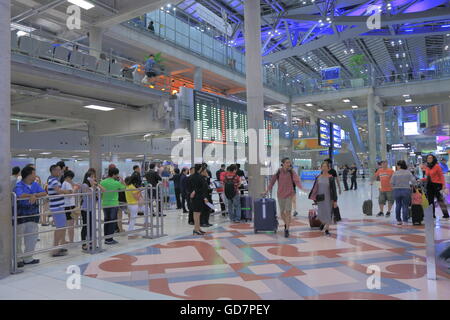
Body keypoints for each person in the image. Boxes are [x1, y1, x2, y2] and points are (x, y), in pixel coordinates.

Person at [265, 158, 307, 238]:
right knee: (281, 213)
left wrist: (301, 188)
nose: (289, 164)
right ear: (283, 163)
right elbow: (272, 182)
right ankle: (286, 223)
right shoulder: (278, 172)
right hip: (280, 195)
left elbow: (297, 180)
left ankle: (287, 229)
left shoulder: (291, 172)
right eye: (287, 162)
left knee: (288, 212)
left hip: (289, 194)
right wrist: (266, 191)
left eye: (289, 163)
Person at [14, 166, 47, 267]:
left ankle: (28, 258)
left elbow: (44, 192)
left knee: (32, 237)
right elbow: (19, 195)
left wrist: (34, 195)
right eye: (33, 173)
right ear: (28, 175)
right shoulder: (19, 185)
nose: (35, 175)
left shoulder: (35, 184)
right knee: (18, 238)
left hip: (33, 215)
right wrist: (31, 195)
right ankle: (18, 259)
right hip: (21, 215)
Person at [47, 165, 72, 257]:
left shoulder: (54, 179)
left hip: (59, 206)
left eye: (60, 170)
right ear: (53, 171)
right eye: (58, 170)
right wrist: (67, 192)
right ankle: (54, 249)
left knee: (61, 227)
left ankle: (57, 247)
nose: (60, 171)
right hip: (57, 207)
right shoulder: (53, 180)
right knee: (60, 228)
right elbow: (57, 190)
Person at [308, 161, 337, 236]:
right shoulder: (318, 177)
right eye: (322, 166)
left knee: (328, 213)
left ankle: (327, 229)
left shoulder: (331, 178)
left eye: (325, 166)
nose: (324, 168)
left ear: (328, 168)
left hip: (329, 198)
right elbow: (315, 188)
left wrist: (335, 200)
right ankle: (323, 223)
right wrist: (313, 197)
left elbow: (334, 190)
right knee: (321, 213)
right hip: (320, 198)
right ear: (321, 168)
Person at [80, 169, 105, 251]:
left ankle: (91, 243)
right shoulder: (84, 185)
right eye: (91, 177)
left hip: (92, 209)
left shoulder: (94, 186)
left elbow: (103, 191)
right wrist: (92, 186)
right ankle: (84, 244)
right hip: (85, 209)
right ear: (87, 178)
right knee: (86, 226)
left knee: (91, 226)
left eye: (94, 176)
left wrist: (97, 185)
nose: (93, 178)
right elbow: (89, 195)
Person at [100, 167, 126, 245]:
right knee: (112, 221)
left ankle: (106, 238)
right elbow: (124, 188)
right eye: (117, 174)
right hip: (113, 204)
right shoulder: (116, 183)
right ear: (114, 174)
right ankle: (110, 239)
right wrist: (122, 180)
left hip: (105, 204)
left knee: (106, 221)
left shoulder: (102, 182)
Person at [390, 160, 416, 225]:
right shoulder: (408, 172)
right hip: (406, 190)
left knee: (398, 205)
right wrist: (412, 185)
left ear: (399, 166)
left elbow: (391, 182)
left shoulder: (395, 173)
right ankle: (405, 221)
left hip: (396, 190)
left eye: (397, 165)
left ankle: (398, 220)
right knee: (405, 206)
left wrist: (394, 187)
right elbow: (413, 181)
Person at [423, 154, 449, 220]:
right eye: (428, 158)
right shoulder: (427, 167)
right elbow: (427, 177)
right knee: (430, 201)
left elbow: (441, 176)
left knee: (440, 200)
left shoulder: (437, 166)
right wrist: (421, 179)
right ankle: (432, 215)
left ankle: (446, 215)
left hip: (437, 185)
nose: (429, 159)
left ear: (433, 159)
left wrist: (443, 185)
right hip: (429, 185)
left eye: (430, 158)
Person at [189, 164, 210, 235]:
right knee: (197, 213)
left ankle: (198, 228)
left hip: (195, 198)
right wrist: (205, 197)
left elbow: (188, 187)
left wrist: (191, 193)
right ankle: (196, 229)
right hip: (199, 197)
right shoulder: (200, 177)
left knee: (196, 213)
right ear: (201, 169)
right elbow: (202, 188)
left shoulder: (191, 177)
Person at [61, 170, 79, 243]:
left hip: (66, 205)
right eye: (71, 178)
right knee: (71, 225)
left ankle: (64, 240)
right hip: (70, 206)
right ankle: (71, 241)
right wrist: (75, 188)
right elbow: (70, 195)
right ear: (68, 177)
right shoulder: (67, 184)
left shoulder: (64, 183)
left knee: (67, 224)